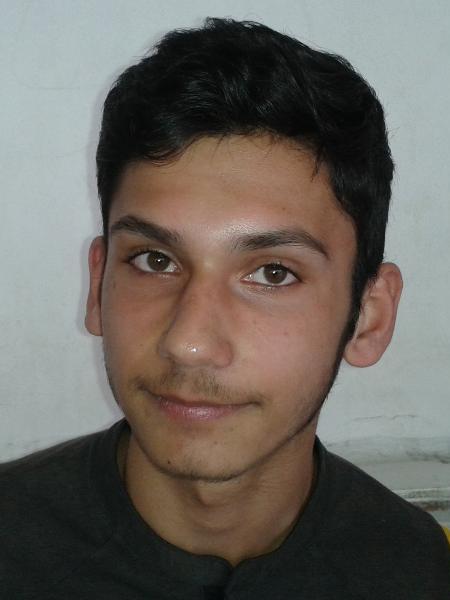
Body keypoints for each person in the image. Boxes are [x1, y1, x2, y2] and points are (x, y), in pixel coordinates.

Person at [1, 17, 449, 599]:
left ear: (369, 317)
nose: (188, 342)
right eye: (154, 261)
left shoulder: (418, 570)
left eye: (272, 273)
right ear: (98, 285)